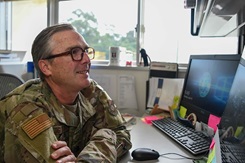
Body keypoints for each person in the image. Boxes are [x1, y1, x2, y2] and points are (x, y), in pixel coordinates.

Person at [0, 23, 132, 163]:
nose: (87, 59)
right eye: (74, 52)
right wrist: (106, 138)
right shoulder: (26, 107)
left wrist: (92, 154)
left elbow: (121, 133)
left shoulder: (91, 91)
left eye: (85, 51)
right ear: (46, 67)